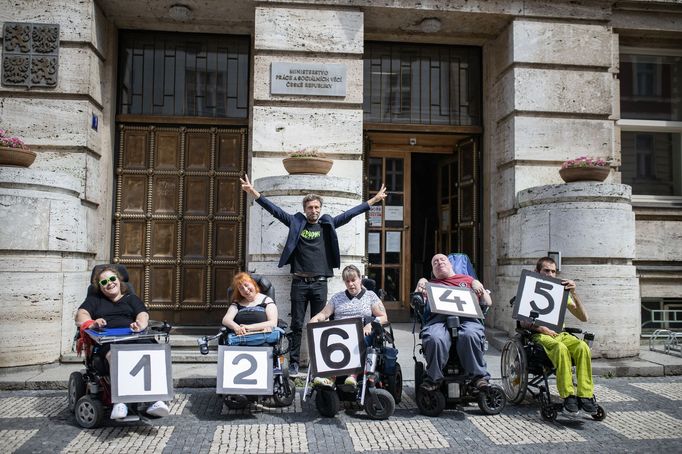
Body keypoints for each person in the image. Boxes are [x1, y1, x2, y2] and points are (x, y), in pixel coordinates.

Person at [240, 174, 387, 375]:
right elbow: (275, 211)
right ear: (305, 209)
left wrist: (373, 200)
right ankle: (293, 363)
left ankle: (319, 362)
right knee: (297, 324)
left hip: (319, 283)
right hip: (299, 282)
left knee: (321, 325)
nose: (314, 210)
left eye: (317, 207)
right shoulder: (295, 223)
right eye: (310, 207)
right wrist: (254, 193)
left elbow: (350, 214)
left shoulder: (327, 225)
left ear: (321, 209)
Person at [75, 266, 170, 420]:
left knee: (153, 353)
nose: (109, 283)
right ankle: (121, 402)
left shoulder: (131, 298)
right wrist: (93, 322)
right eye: (104, 281)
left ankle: (155, 401)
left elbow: (143, 314)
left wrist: (139, 324)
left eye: (112, 279)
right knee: (116, 356)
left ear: (119, 281)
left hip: (134, 336)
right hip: (108, 340)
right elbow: (81, 316)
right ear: (99, 286)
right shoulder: (94, 300)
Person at [526, 256, 595, 413]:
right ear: (537, 271)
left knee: (582, 347)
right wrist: (541, 328)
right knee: (560, 348)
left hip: (560, 333)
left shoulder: (561, 291)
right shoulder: (530, 289)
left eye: (553, 271)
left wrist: (574, 293)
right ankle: (568, 395)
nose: (550, 274)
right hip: (539, 334)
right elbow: (523, 322)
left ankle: (585, 395)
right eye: (546, 271)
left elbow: (584, 317)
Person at [416, 253, 492, 392]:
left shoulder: (467, 280)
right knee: (435, 338)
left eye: (442, 259)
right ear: (433, 270)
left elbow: (488, 303)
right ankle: (433, 378)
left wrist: (478, 285)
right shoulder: (430, 285)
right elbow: (416, 305)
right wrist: (420, 285)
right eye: (435, 262)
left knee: (470, 335)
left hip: (468, 318)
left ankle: (478, 377)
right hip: (438, 320)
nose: (439, 262)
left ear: (450, 264)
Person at [308, 265, 388, 387]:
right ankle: (329, 376)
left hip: (361, 332)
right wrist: (314, 320)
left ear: (360, 278)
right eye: (347, 281)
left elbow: (384, 317)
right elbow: (324, 314)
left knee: (357, 339)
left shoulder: (370, 296)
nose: (351, 284)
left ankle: (353, 375)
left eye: (353, 280)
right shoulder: (337, 297)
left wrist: (370, 324)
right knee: (325, 339)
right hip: (339, 333)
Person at [222, 272, 282, 346]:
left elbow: (273, 323)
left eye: (246, 285)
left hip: (261, 339)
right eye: (241, 289)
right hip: (240, 339)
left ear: (253, 283)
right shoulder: (237, 303)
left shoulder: (267, 301)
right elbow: (226, 320)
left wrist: (249, 328)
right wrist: (236, 327)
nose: (245, 290)